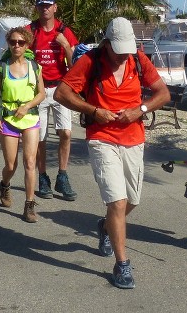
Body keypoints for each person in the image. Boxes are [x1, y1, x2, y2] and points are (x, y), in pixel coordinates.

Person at [56, 17, 170, 289]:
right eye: (117, 50)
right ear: (106, 44)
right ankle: (122, 265)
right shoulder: (91, 61)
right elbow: (62, 93)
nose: (122, 56)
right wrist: (94, 111)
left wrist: (139, 110)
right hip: (102, 138)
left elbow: (163, 94)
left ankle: (106, 226)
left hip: (134, 138)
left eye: (126, 51)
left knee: (132, 200)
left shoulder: (138, 60)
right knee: (117, 203)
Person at [0, 26, 46, 223]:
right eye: (13, 42)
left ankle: (29, 205)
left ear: (27, 44)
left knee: (30, 162)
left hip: (30, 118)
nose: (16, 46)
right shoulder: (1, 67)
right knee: (10, 165)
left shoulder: (34, 67)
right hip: (9, 120)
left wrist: (27, 106)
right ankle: (5, 184)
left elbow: (41, 93)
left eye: (21, 42)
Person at [28, 0, 80, 201]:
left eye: (48, 5)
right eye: (41, 6)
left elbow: (75, 64)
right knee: (40, 137)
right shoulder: (31, 31)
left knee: (65, 133)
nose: (45, 9)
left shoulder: (65, 32)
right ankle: (42, 177)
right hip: (38, 89)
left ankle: (62, 176)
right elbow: (20, 55)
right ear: (37, 8)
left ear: (55, 7)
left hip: (60, 89)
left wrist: (66, 46)